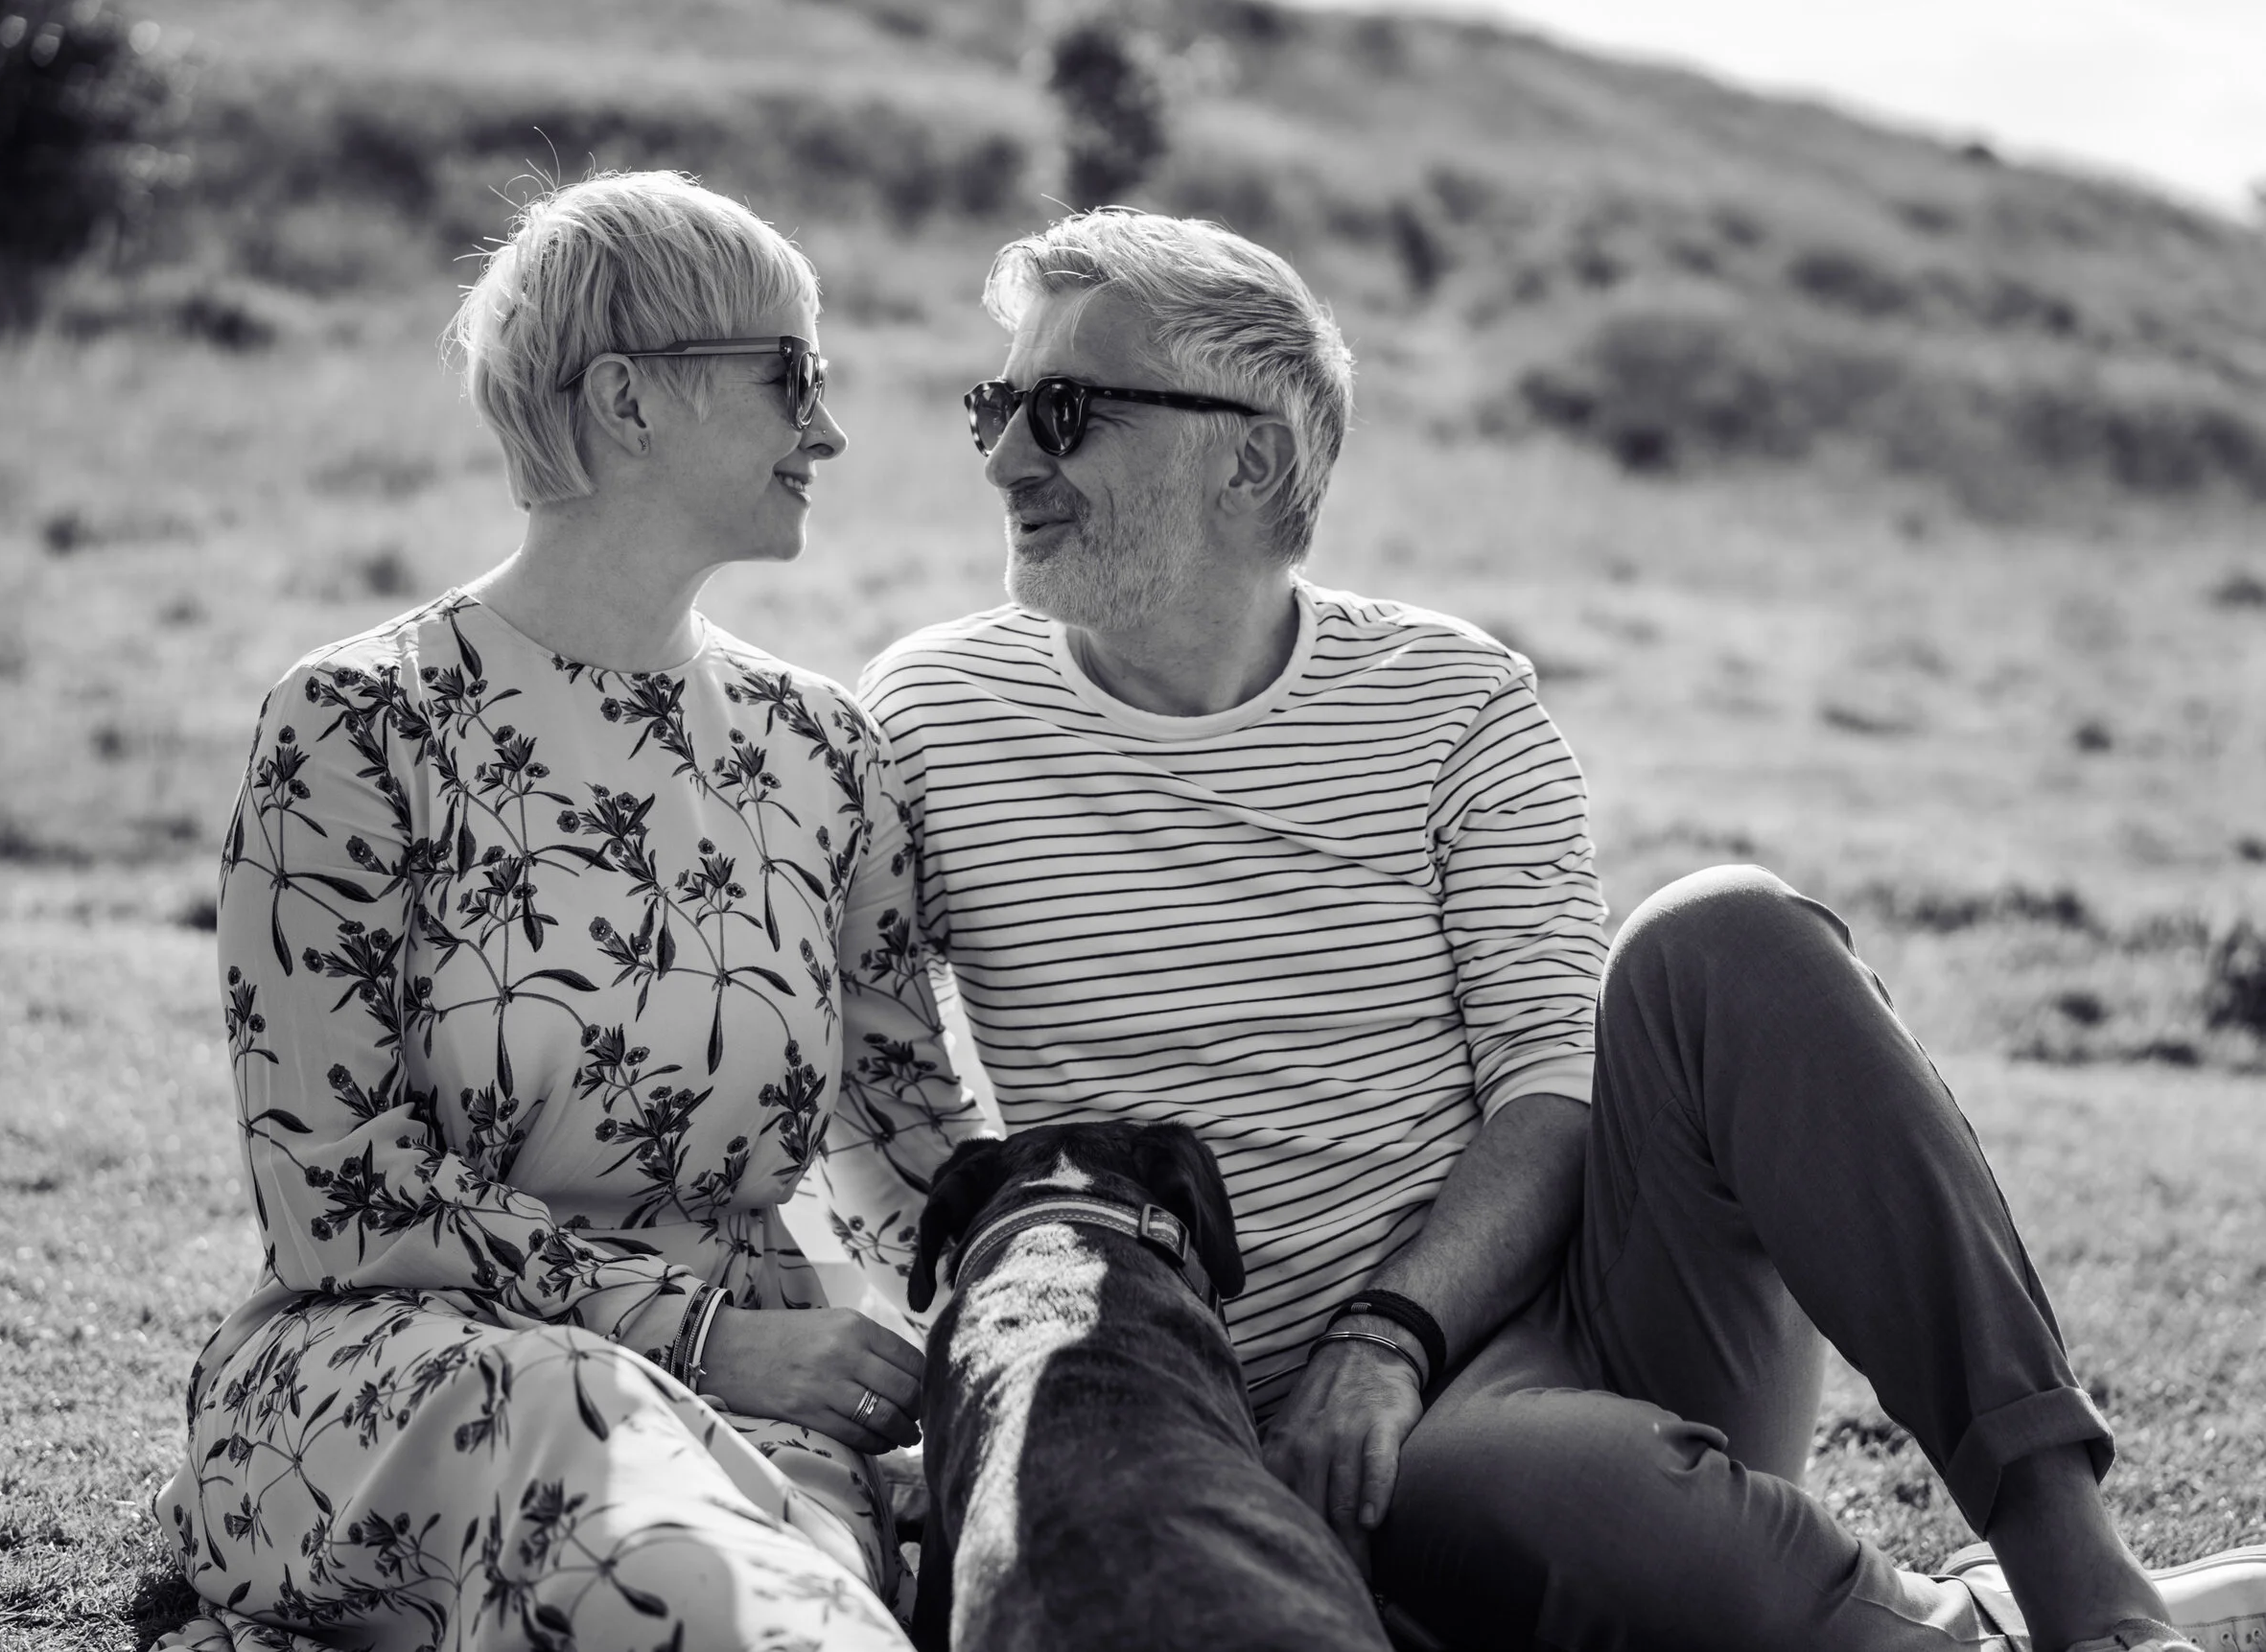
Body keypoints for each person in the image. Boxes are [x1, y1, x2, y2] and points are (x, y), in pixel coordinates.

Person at [857, 206, 2261, 1652]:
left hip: (1551, 1333)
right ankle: (1943, 1630)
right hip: (1214, 1431)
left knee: (1727, 933)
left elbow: (1551, 1086)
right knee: (1524, 1486)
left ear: (1252, 458)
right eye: (993, 406)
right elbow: (874, 1086)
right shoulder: (928, 721)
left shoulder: (1454, 700)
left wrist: (1389, 1337)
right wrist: (972, 1380)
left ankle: (2091, 1595)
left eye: (1063, 409)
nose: (1005, 457)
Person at [152, 172, 980, 1652]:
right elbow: (338, 1193)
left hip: (758, 1407)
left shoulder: (825, 748)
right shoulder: (354, 724)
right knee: (572, 1411)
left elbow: (910, 1144)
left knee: (744, 1571)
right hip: (395, 1382)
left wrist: (1066, 1294)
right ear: (628, 398)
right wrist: (702, 1334)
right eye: (793, 375)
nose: (830, 430)